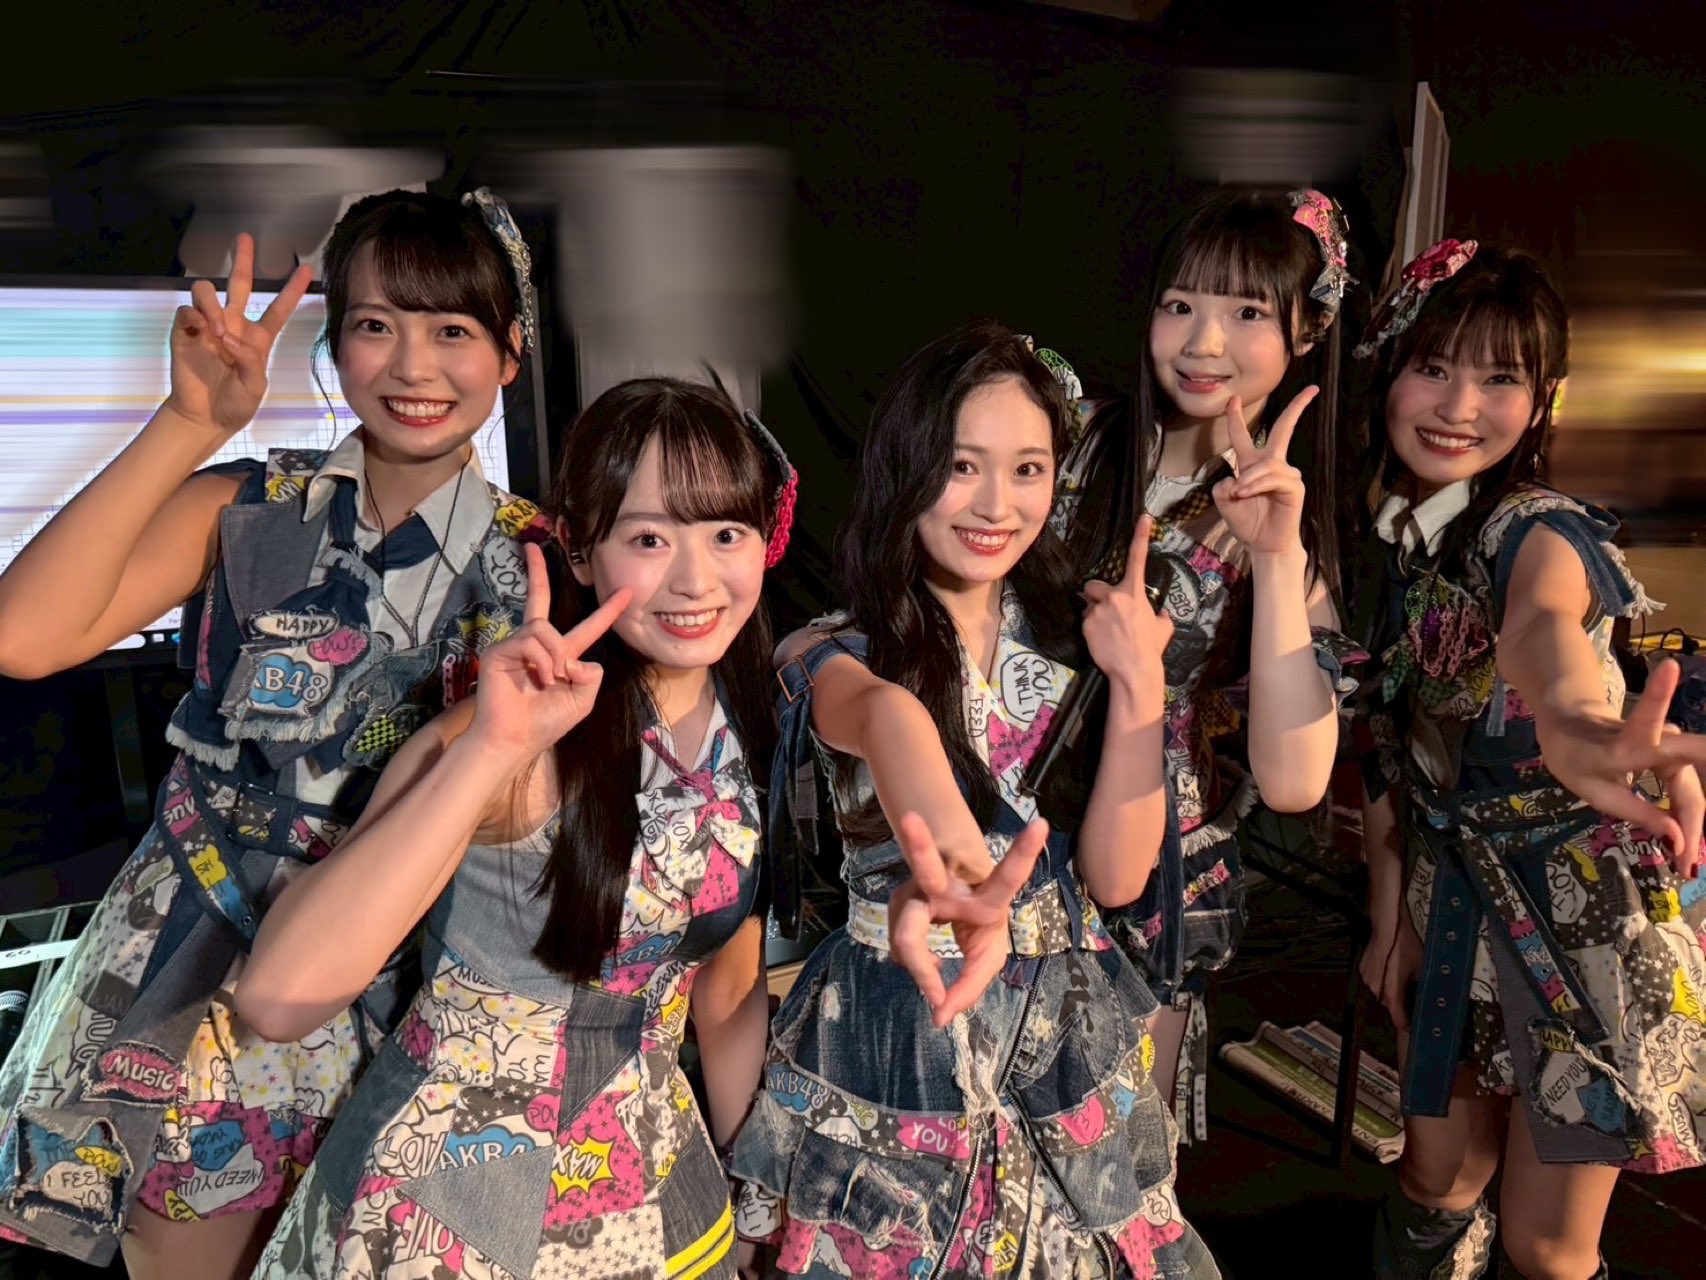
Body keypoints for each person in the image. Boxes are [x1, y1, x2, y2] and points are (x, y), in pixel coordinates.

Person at [0, 189, 549, 1279]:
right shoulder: (247, 506)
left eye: (452, 329)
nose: (414, 365)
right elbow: (24, 637)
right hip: (193, 970)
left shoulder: (541, 565)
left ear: (510, 354)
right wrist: (189, 425)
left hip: (413, 977)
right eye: (376, 324)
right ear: (335, 344)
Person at [242, 376, 791, 1278]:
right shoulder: (500, 736)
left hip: (657, 1203)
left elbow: (726, 991)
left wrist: (756, 1200)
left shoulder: (752, 723)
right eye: (648, 539)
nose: (696, 580)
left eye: (724, 534)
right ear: (579, 551)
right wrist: (491, 750)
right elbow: (278, 999)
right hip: (442, 1219)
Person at [731, 320, 1219, 1277]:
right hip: (901, 1035)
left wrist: (1139, 687)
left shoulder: (1083, 645)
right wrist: (959, 868)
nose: (997, 504)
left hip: (1064, 1029)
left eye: (1027, 469)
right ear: (906, 469)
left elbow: (1119, 879)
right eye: (962, 467)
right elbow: (887, 722)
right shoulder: (832, 652)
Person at [1349, 240, 1706, 1279]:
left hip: (1574, 916)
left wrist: (1575, 722)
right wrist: (1391, 919)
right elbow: (1390, 750)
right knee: (1434, 1181)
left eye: (1498, 378)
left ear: (1544, 399)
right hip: (1446, 889)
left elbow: (1543, 630)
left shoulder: (1537, 529)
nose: (1458, 406)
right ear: (1389, 371)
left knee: (1546, 1246)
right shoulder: (1392, 538)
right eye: (1433, 367)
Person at [1056, 188, 1364, 1139]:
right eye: (1181, 304)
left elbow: (1296, 780)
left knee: (1113, 1154)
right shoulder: (1064, 438)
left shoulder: (1286, 535)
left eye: (1248, 313)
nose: (1204, 342)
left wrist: (1274, 553)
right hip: (1004, 818)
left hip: (1155, 853)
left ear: (1308, 333)